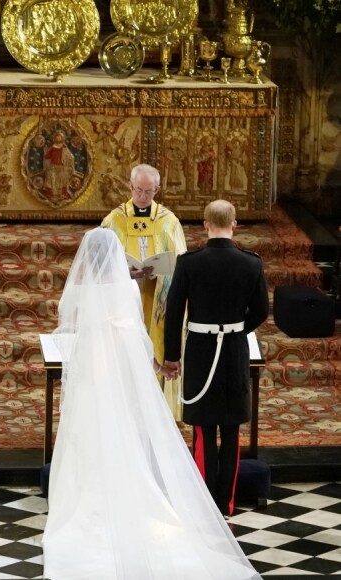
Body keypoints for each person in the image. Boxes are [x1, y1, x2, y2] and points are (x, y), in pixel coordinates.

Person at [42, 228, 261, 579]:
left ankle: (85, 503)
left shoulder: (78, 292)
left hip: (90, 370)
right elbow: (138, 335)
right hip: (119, 368)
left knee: (87, 432)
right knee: (124, 431)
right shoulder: (127, 288)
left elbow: (71, 323)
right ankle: (131, 498)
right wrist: (155, 363)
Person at [164, 200, 269, 517]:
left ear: (205, 224)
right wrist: (237, 331)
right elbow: (262, 311)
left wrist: (172, 357)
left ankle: (205, 505)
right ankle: (227, 504)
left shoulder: (189, 263)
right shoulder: (251, 263)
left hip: (199, 349)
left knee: (204, 429)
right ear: (234, 223)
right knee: (233, 428)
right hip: (235, 350)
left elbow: (173, 314)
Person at [102, 163, 187, 420]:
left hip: (156, 297)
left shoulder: (168, 222)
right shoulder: (113, 220)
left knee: (155, 343)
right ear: (130, 187)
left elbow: (180, 262)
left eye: (148, 192)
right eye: (138, 190)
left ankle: (157, 414)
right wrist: (122, 273)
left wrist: (161, 273)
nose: (141, 197)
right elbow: (101, 265)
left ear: (157, 190)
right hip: (123, 298)